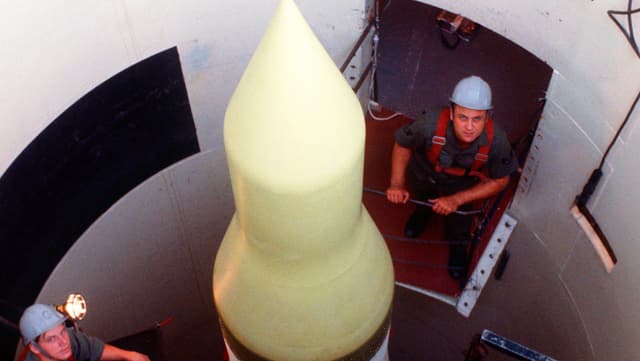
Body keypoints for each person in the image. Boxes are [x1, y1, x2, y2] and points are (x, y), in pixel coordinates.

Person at [385, 75, 518, 280]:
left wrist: (456, 200)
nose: (469, 127)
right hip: (425, 171)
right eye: (463, 117)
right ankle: (422, 213)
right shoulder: (430, 122)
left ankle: (458, 248)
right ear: (452, 113)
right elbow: (403, 144)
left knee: (460, 223)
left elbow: (501, 181)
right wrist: (396, 183)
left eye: (477, 119)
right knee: (422, 197)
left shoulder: (496, 140)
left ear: (487, 116)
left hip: (462, 184)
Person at [18, 303, 151, 361]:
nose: (63, 342)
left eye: (62, 331)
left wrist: (129, 356)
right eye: (52, 339)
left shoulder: (66, 340)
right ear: (34, 348)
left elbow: (92, 348)